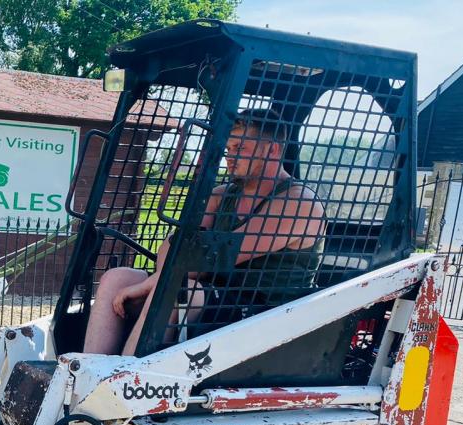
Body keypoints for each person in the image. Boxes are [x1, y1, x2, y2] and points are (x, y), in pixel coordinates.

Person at [83, 107, 327, 356]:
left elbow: (209, 259)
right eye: (229, 149)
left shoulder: (298, 203)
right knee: (117, 279)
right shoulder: (223, 195)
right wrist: (160, 272)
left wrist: (151, 284)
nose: (230, 156)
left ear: (272, 150)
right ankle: (88, 372)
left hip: (265, 312)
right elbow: (172, 251)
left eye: (240, 149)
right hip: (215, 296)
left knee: (177, 289)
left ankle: (125, 382)